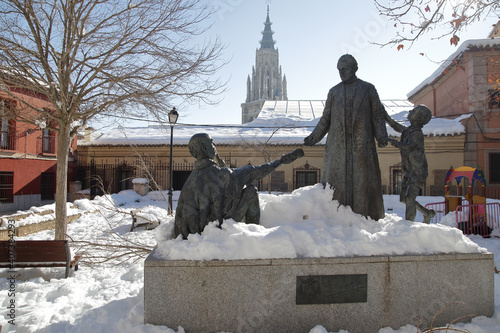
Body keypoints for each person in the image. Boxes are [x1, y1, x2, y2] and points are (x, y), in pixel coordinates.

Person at [304, 54, 388, 221]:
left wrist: (381, 135)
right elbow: (326, 118)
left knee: (362, 181)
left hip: (361, 144)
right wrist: (314, 137)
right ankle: (336, 217)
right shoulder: (334, 92)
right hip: (338, 146)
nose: (341, 72)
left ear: (354, 68)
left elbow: (378, 114)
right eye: (339, 69)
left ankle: (364, 217)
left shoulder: (368, 89)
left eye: (344, 68)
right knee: (337, 184)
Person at [174, 133, 304, 239]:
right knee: (250, 191)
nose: (214, 145)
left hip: (195, 235)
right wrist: (280, 161)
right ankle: (254, 235)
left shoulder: (191, 180)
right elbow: (254, 171)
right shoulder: (221, 174)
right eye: (211, 142)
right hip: (217, 231)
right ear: (204, 147)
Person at [385, 105, 436, 223]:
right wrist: (385, 116)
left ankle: (409, 224)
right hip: (409, 169)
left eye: (413, 111)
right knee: (403, 198)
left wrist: (392, 141)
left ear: (418, 118)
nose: (410, 111)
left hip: (418, 170)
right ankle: (426, 213)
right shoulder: (409, 130)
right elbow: (396, 126)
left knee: (409, 198)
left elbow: (409, 147)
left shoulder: (417, 134)